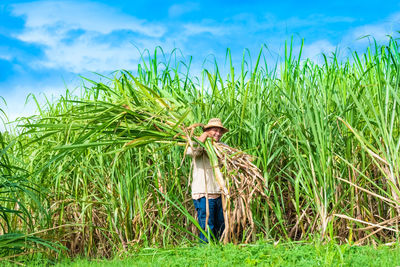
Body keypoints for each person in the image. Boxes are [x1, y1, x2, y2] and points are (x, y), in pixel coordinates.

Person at [186, 118, 228, 243]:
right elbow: (191, 152)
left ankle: (220, 253)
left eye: (220, 131)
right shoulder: (199, 145)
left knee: (221, 226)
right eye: (215, 130)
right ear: (207, 131)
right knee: (207, 226)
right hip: (204, 193)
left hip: (220, 193)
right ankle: (205, 254)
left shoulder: (223, 147)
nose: (218, 134)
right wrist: (203, 137)